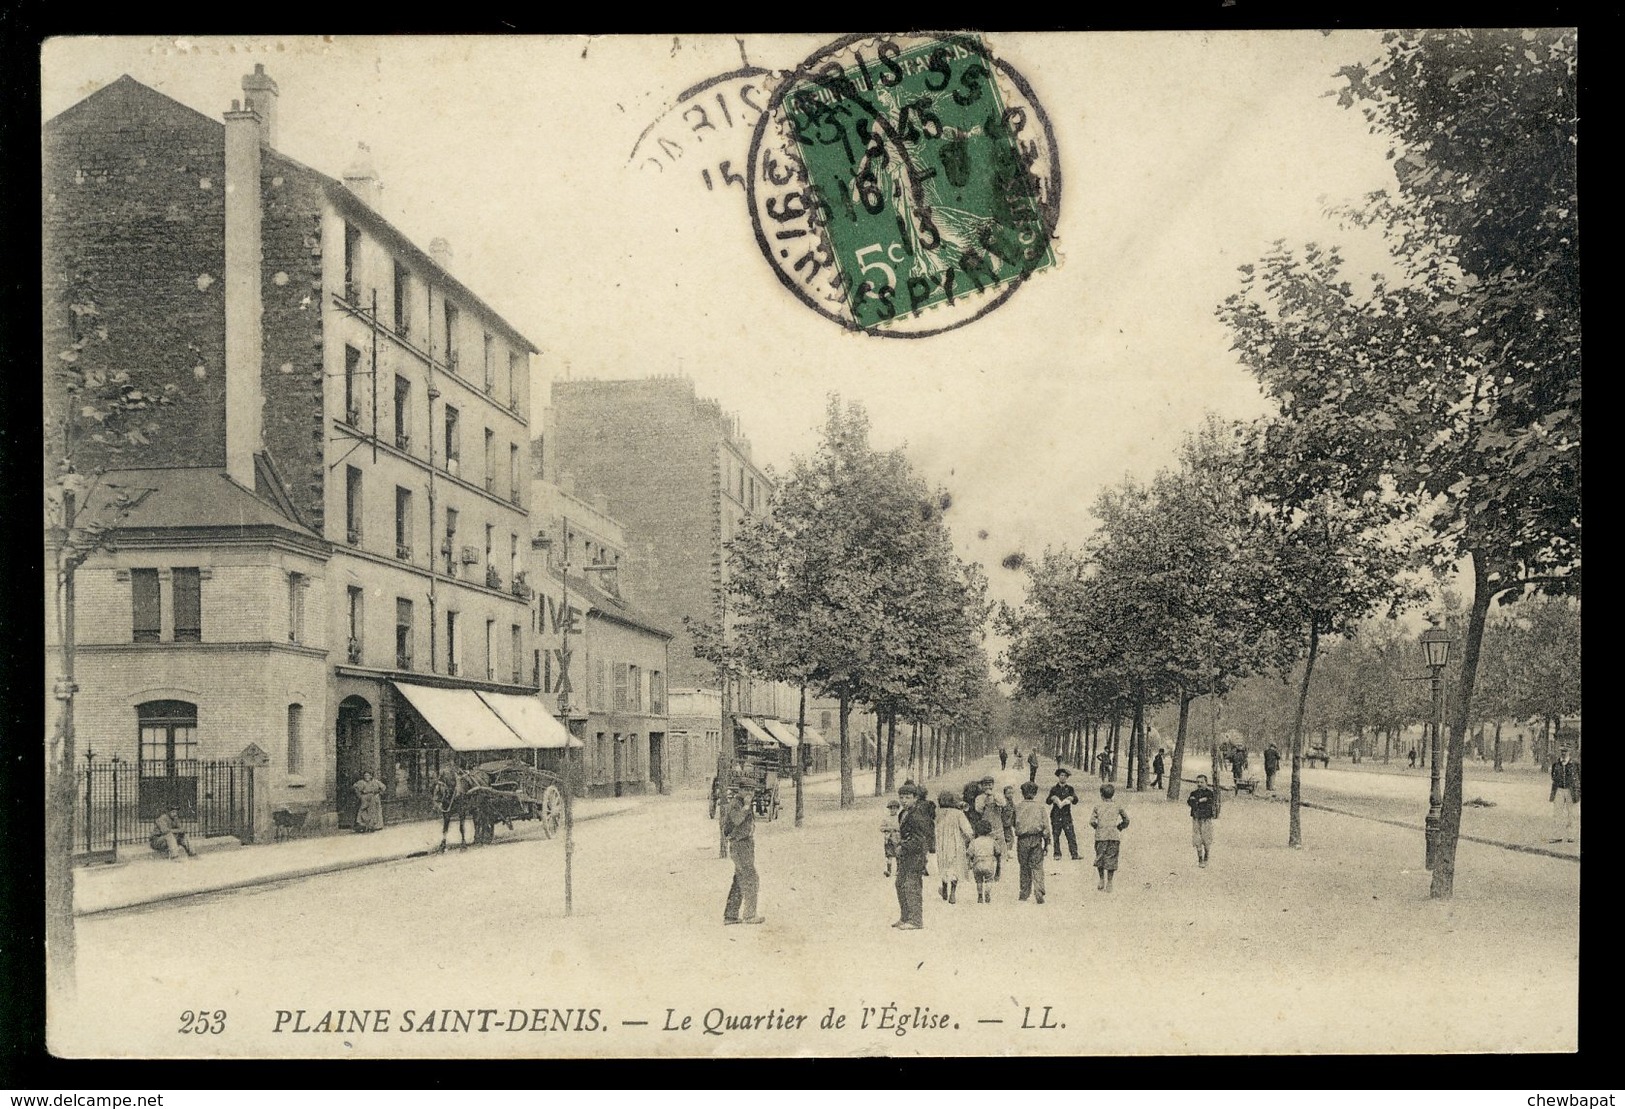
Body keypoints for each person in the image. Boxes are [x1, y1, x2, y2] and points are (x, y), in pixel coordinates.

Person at [893, 784, 933, 929]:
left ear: (915, 798)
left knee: (911, 886)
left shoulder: (918, 815)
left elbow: (920, 840)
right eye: (901, 797)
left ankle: (915, 920)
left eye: (907, 798)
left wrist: (902, 846)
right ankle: (904, 917)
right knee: (900, 884)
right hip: (906, 856)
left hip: (915, 856)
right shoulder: (903, 813)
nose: (904, 800)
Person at [722, 792, 763, 925]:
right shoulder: (736, 804)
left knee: (740, 879)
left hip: (745, 844)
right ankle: (750, 915)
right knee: (751, 877)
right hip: (740, 845)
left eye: (752, 789)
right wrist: (746, 807)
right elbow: (736, 820)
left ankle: (731, 915)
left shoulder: (741, 802)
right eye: (747, 789)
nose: (750, 792)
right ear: (739, 789)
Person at [1089, 782, 1130, 892]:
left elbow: (1092, 821)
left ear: (1101, 794)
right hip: (1113, 836)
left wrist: (1098, 827)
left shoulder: (1097, 806)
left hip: (1101, 836)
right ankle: (1110, 882)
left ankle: (1101, 879)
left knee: (1100, 857)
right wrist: (1120, 827)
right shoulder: (1118, 806)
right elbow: (1126, 820)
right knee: (1111, 858)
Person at [1013, 781, 1050, 904]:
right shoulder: (1040, 807)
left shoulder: (1017, 807)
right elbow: (1046, 826)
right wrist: (1047, 842)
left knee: (1024, 867)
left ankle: (1024, 892)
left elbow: (1013, 822)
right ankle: (1039, 891)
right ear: (1035, 793)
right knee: (1037, 866)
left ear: (1022, 793)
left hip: (1022, 839)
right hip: (1036, 839)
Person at [935, 792, 974, 904]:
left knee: (944, 865)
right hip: (955, 843)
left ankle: (944, 889)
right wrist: (970, 838)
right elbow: (967, 829)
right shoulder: (958, 813)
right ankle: (952, 893)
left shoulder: (938, 813)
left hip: (941, 844)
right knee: (954, 867)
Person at [1046, 767, 1082, 861]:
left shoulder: (1070, 789)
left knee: (1071, 835)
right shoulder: (1054, 789)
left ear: (1067, 778)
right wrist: (1052, 798)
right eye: (1061, 775)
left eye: (1065, 776)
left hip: (1066, 815)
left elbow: (1076, 800)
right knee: (1056, 835)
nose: (1063, 778)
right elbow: (1048, 801)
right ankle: (1057, 854)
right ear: (1058, 777)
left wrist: (1072, 798)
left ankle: (1074, 853)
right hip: (1056, 815)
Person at [1548, 746, 1580, 843]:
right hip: (1559, 790)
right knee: (1557, 813)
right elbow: (1553, 776)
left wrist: (1578, 791)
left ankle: (1571, 835)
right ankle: (1557, 835)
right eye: (1562, 751)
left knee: (1572, 813)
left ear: (1569, 752)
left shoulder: (1575, 764)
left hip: (1571, 791)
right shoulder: (1556, 764)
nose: (1563, 753)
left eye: (1565, 751)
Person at [1187, 774, 1219, 867]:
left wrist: (1198, 802)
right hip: (1196, 818)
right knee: (1197, 838)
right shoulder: (1193, 793)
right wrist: (1199, 801)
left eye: (1201, 782)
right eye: (1198, 782)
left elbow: (1209, 803)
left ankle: (1206, 856)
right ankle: (1200, 858)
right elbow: (1190, 802)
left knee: (1206, 838)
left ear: (1206, 783)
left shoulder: (1210, 793)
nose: (1199, 784)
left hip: (1206, 819)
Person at [969, 827, 999, 903]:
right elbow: (998, 851)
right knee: (989, 880)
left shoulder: (974, 841)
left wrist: (970, 861)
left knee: (979, 881)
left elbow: (970, 853)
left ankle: (980, 896)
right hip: (989, 863)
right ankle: (987, 893)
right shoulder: (992, 841)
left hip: (977, 862)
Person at [881, 798, 902, 878]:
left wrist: (898, 829)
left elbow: (902, 827)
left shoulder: (899, 818)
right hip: (889, 839)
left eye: (894, 808)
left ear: (897, 809)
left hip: (897, 839)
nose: (893, 810)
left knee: (898, 854)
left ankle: (898, 870)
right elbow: (881, 828)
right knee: (889, 855)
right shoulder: (886, 818)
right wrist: (888, 829)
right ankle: (889, 870)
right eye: (891, 808)